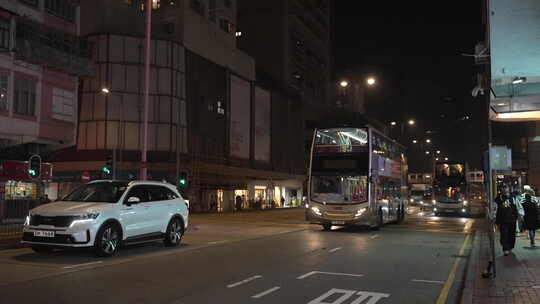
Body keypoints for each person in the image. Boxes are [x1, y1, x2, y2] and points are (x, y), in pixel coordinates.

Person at [494, 185, 524, 255]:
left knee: (511, 234)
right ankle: (505, 248)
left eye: (506, 188)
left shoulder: (513, 197)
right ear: (501, 190)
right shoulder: (498, 199)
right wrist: (494, 219)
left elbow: (518, 206)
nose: (504, 189)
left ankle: (510, 247)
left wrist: (521, 215)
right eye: (503, 188)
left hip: (512, 220)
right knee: (504, 234)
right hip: (503, 220)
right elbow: (495, 209)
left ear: (508, 189)